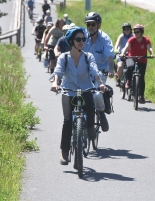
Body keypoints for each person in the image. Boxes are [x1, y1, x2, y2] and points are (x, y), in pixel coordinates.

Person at [50, 27, 107, 165]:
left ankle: (90, 128)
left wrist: (100, 83)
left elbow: (95, 71)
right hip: (68, 90)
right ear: (71, 41)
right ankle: (64, 151)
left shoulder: (88, 57)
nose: (82, 42)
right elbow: (57, 71)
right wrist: (55, 83)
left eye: (83, 39)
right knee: (68, 120)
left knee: (90, 106)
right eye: (78, 39)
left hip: (85, 88)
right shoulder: (64, 57)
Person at [83, 12, 114, 132]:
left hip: (101, 71)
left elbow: (110, 56)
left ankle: (101, 113)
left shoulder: (104, 38)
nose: (90, 27)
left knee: (96, 94)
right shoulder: (83, 37)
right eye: (88, 24)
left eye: (93, 24)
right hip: (84, 71)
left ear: (98, 25)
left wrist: (111, 69)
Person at [120, 24, 155, 104]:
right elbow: (126, 47)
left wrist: (152, 53)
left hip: (142, 59)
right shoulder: (132, 39)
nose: (135, 33)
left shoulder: (146, 40)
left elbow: (149, 47)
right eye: (134, 32)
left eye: (138, 32)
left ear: (142, 32)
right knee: (129, 67)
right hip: (131, 58)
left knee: (142, 78)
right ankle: (128, 81)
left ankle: (141, 96)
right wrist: (123, 53)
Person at [114, 23, 133, 87]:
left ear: (130, 30)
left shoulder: (133, 36)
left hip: (129, 55)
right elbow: (117, 44)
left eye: (128, 29)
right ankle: (118, 79)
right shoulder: (121, 36)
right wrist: (116, 50)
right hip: (120, 54)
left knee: (130, 66)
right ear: (123, 30)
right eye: (125, 29)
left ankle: (130, 81)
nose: (126, 30)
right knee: (120, 66)